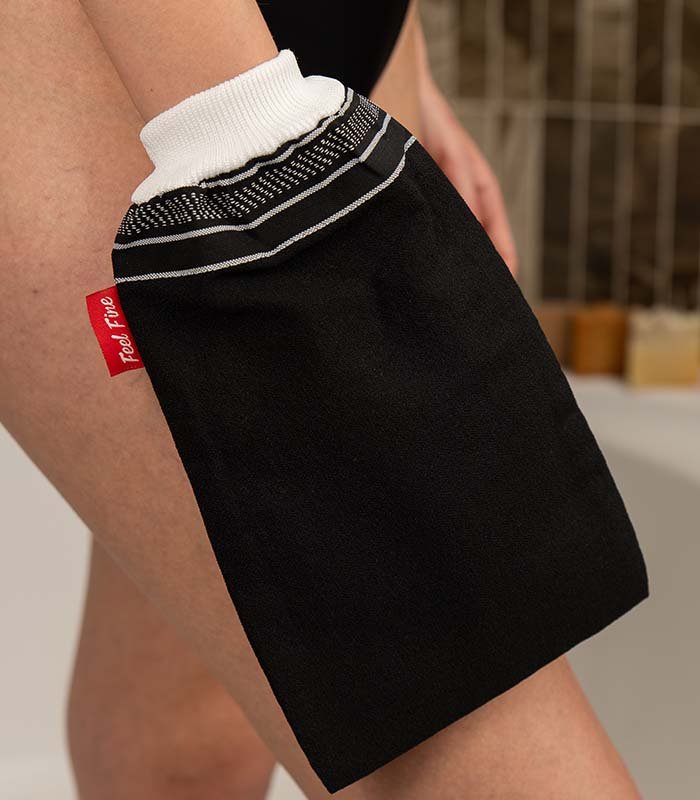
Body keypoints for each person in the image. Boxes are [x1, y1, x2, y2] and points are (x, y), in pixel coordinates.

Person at [0, 1, 645, 798]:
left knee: (189, 733)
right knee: (459, 723)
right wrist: (252, 132)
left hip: (317, 49)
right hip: (136, 47)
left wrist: (396, 55)